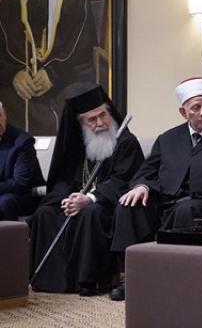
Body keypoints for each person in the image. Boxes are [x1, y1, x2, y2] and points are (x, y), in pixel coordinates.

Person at [109, 77, 202, 301]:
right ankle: (131, 277)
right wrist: (141, 186)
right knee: (128, 206)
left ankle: (169, 278)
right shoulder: (167, 139)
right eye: (196, 107)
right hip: (164, 202)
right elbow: (147, 170)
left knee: (186, 210)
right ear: (183, 112)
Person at [27, 85, 143, 296]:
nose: (100, 123)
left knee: (91, 212)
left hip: (109, 204)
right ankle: (51, 281)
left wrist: (90, 198)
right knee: (45, 213)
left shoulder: (126, 142)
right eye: (92, 119)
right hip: (77, 199)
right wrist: (67, 199)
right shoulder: (77, 144)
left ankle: (89, 281)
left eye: (103, 115)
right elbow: (63, 179)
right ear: (80, 123)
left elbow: (124, 180)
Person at [0, 0, 98, 135]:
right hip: (24, 84)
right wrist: (15, 74)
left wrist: (53, 73)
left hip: (66, 78)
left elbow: (80, 48)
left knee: (72, 103)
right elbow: (3, 45)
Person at [0, 101, 45, 220]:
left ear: (4, 114)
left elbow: (20, 183)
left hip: (23, 196)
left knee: (5, 202)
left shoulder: (23, 142)